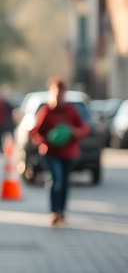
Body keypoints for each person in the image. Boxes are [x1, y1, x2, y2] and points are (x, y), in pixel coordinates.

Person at [29, 77, 90, 227]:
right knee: (56, 180)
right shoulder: (46, 111)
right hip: (51, 152)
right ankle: (54, 212)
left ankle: (61, 211)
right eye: (56, 94)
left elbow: (84, 128)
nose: (58, 97)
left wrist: (73, 132)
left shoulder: (71, 110)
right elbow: (35, 131)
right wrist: (46, 140)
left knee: (64, 182)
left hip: (69, 153)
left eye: (61, 94)